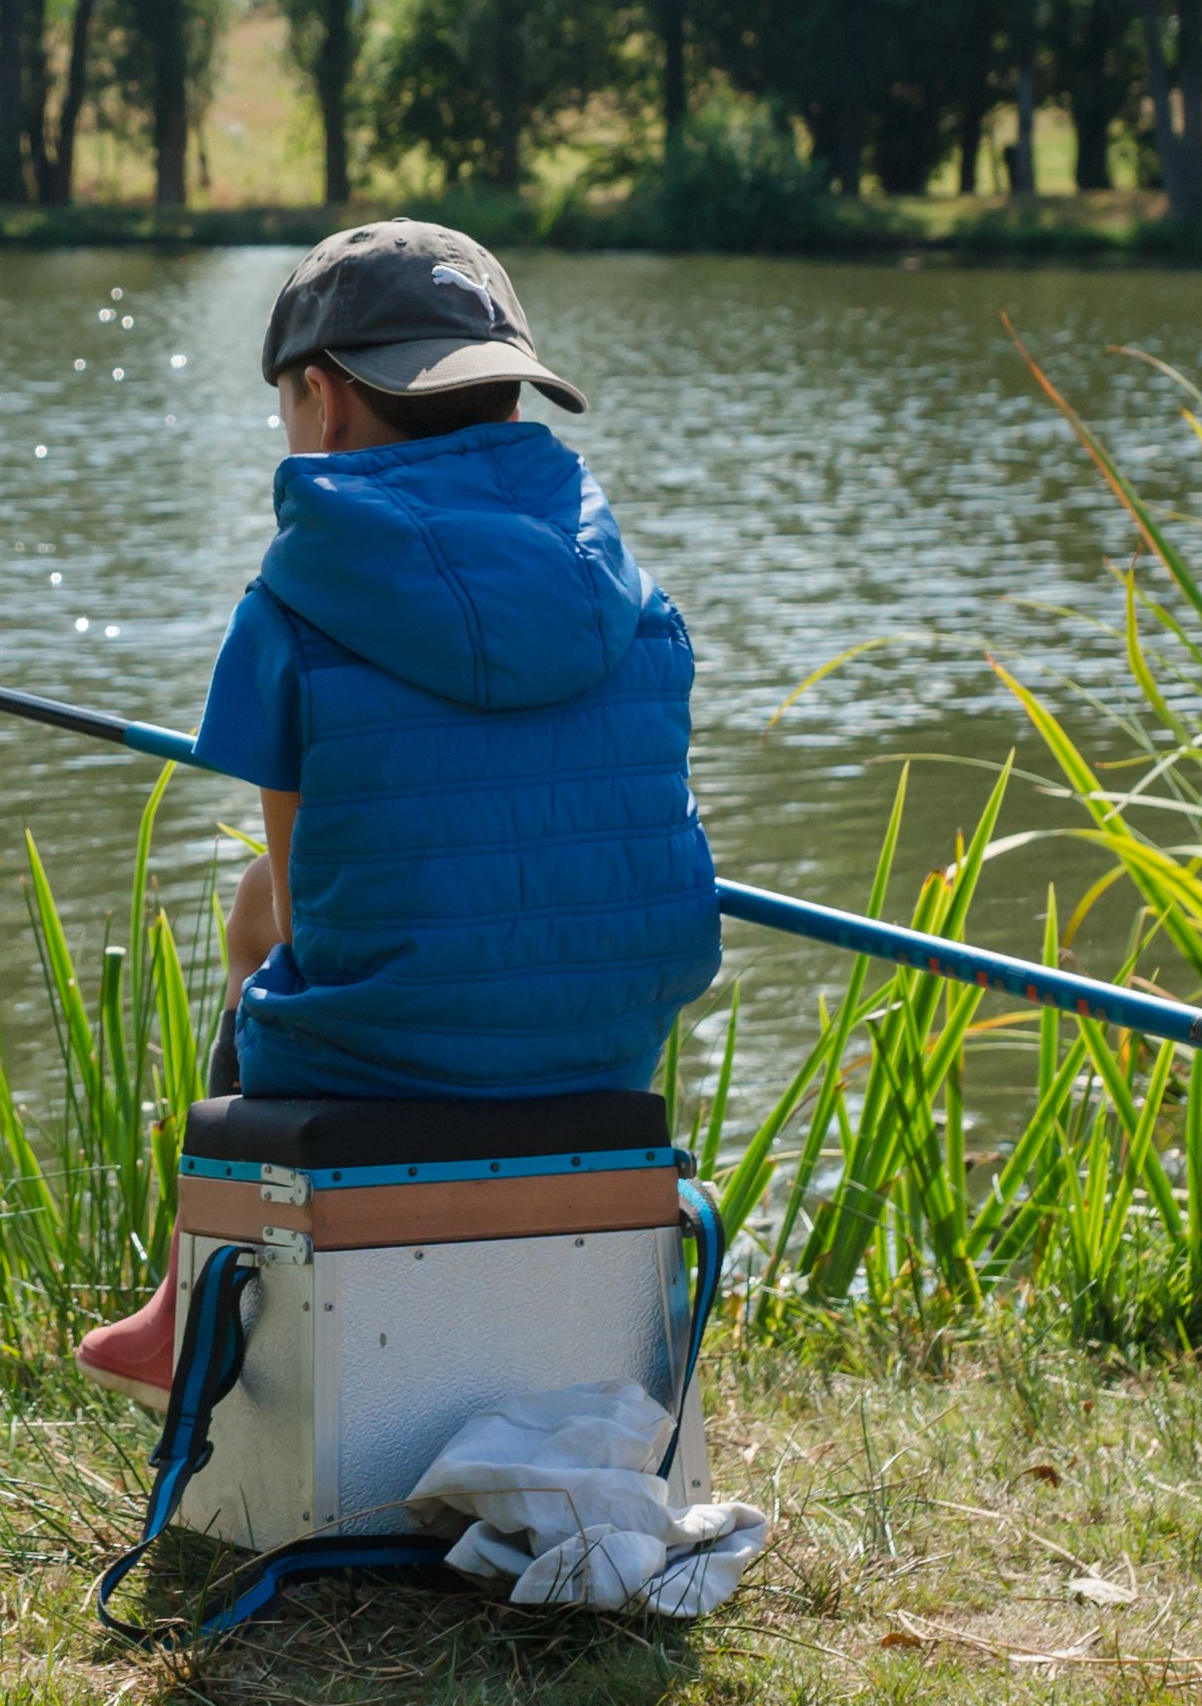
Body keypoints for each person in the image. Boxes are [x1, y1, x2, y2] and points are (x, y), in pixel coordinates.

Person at [73, 219, 722, 1405]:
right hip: (608, 1049)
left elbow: (308, 918)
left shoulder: (296, 601)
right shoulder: (637, 599)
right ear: (509, 397)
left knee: (254, 915)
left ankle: (188, 1297)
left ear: (322, 399)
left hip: (382, 1065)